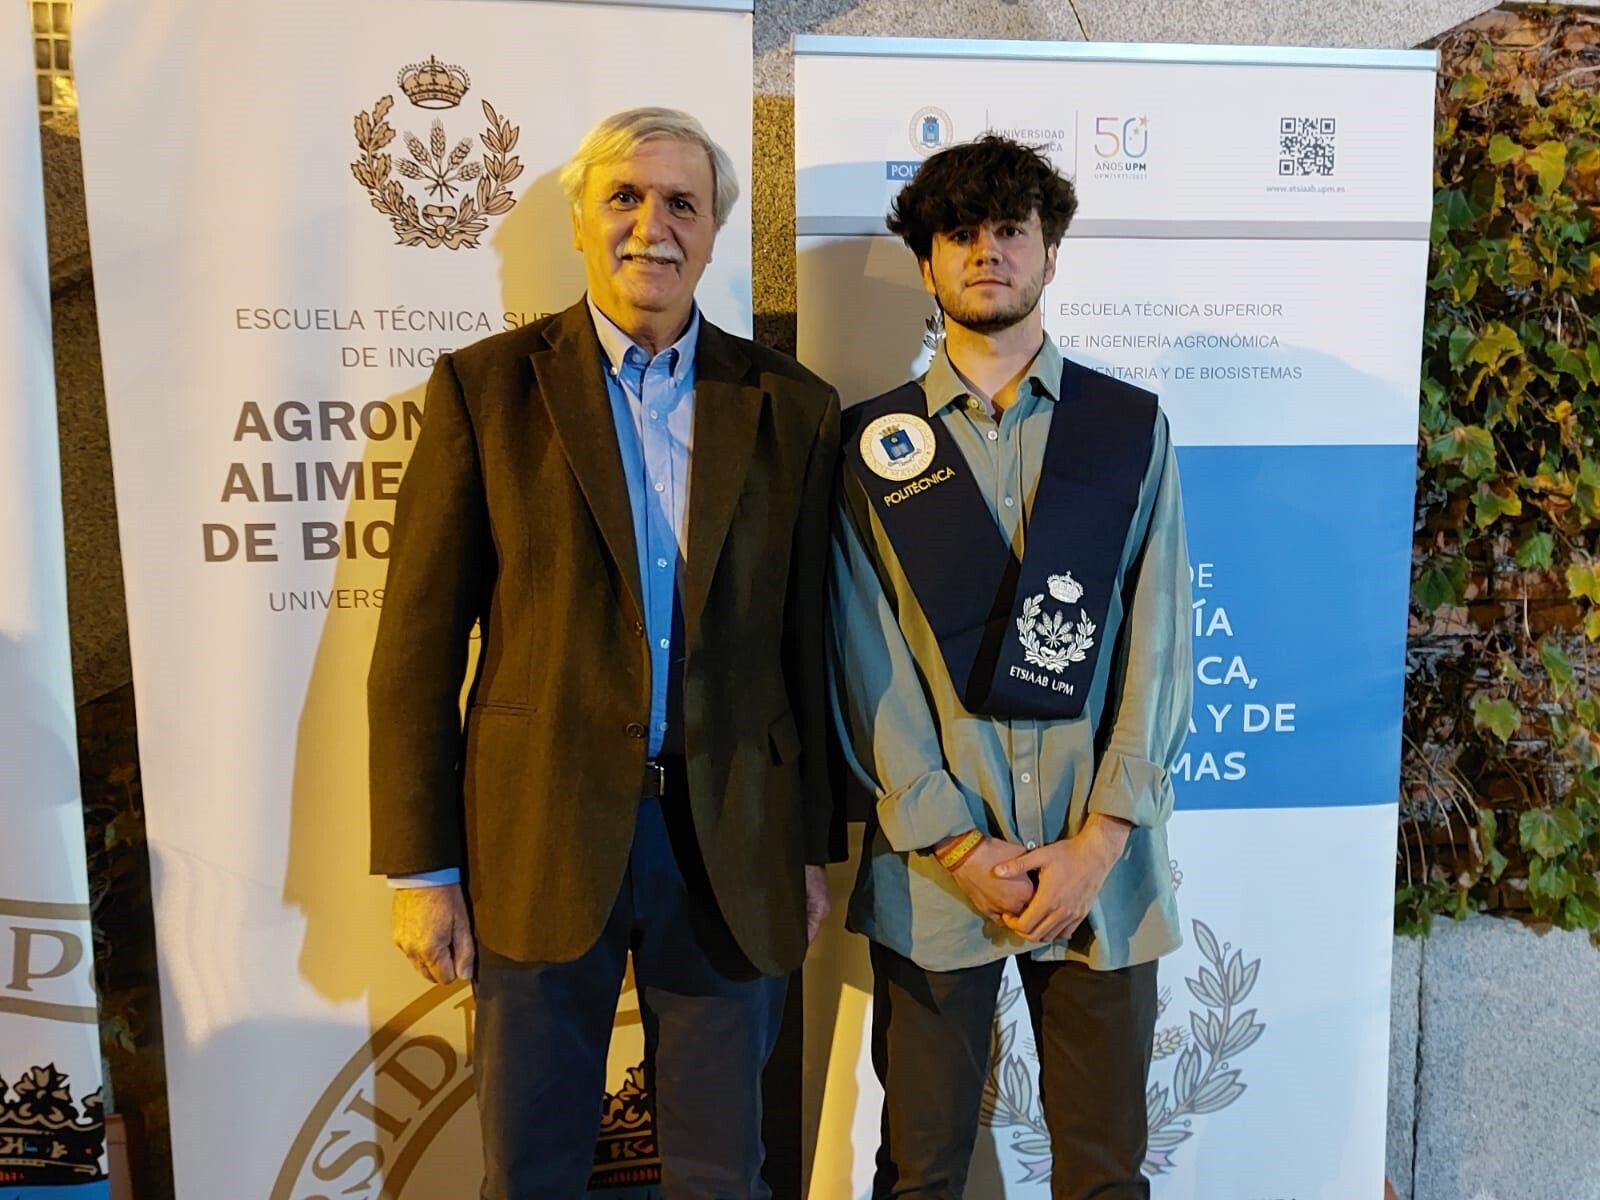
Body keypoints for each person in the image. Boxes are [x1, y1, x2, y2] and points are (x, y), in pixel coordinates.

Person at [368, 107, 839, 1199]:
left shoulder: (791, 406)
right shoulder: (484, 392)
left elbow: (806, 647)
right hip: (537, 837)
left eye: (682, 202)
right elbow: (416, 651)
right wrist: (424, 869)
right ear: (581, 223)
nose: (651, 226)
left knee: (726, 1172)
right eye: (624, 197)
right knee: (531, 1168)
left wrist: (809, 845)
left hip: (733, 844)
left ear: (715, 231)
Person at [829, 134, 1193, 1199]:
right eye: (961, 233)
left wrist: (1097, 845)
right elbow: (867, 656)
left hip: (1101, 869)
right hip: (938, 873)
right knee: (921, 1171)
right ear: (926, 261)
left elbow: (1159, 637)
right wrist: (954, 838)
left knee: (1102, 1173)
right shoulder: (872, 447)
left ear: (1048, 252)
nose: (987, 252)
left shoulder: (1126, 430)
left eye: (1010, 230)